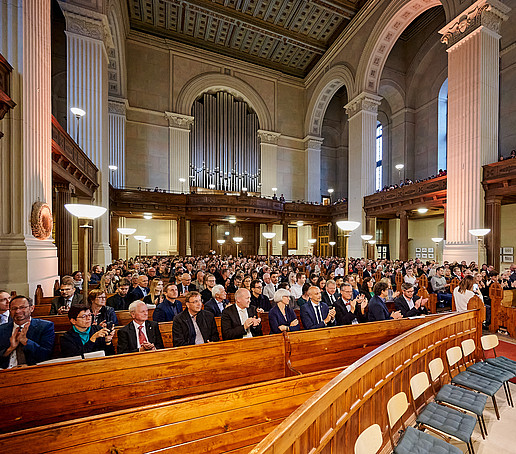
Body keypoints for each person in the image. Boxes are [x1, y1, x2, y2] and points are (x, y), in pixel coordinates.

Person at [0, 295, 54, 368]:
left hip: (32, 370)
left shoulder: (45, 326)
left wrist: (26, 341)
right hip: (5, 371)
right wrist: (10, 349)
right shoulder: (2, 329)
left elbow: (46, 355)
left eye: (22, 307)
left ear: (31, 308)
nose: (18, 311)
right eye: (14, 308)